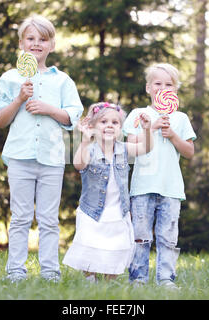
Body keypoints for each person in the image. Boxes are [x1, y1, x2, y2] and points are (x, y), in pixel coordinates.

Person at [0, 15, 83, 283]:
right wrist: (20, 98)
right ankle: (15, 271)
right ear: (21, 43)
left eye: (42, 39)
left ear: (52, 45)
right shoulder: (10, 78)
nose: (36, 43)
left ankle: (50, 272)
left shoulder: (62, 80)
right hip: (20, 157)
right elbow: (0, 120)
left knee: (48, 219)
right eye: (30, 38)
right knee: (20, 217)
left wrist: (48, 109)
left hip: (52, 158)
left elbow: (72, 116)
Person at [122, 63, 196, 289]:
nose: (162, 88)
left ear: (175, 90)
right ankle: (138, 278)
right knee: (141, 236)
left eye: (168, 84)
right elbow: (129, 143)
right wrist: (151, 127)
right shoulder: (138, 114)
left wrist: (173, 135)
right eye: (158, 83)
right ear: (148, 88)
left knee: (168, 238)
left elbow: (189, 152)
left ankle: (166, 278)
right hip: (143, 186)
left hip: (171, 187)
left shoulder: (181, 118)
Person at [62, 102, 153, 282]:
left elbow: (145, 148)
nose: (110, 125)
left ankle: (107, 284)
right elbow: (79, 164)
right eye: (103, 122)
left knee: (115, 249)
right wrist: (85, 140)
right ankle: (90, 280)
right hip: (92, 211)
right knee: (90, 246)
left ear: (120, 127)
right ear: (93, 126)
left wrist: (148, 131)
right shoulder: (89, 149)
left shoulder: (124, 149)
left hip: (117, 211)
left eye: (115, 122)